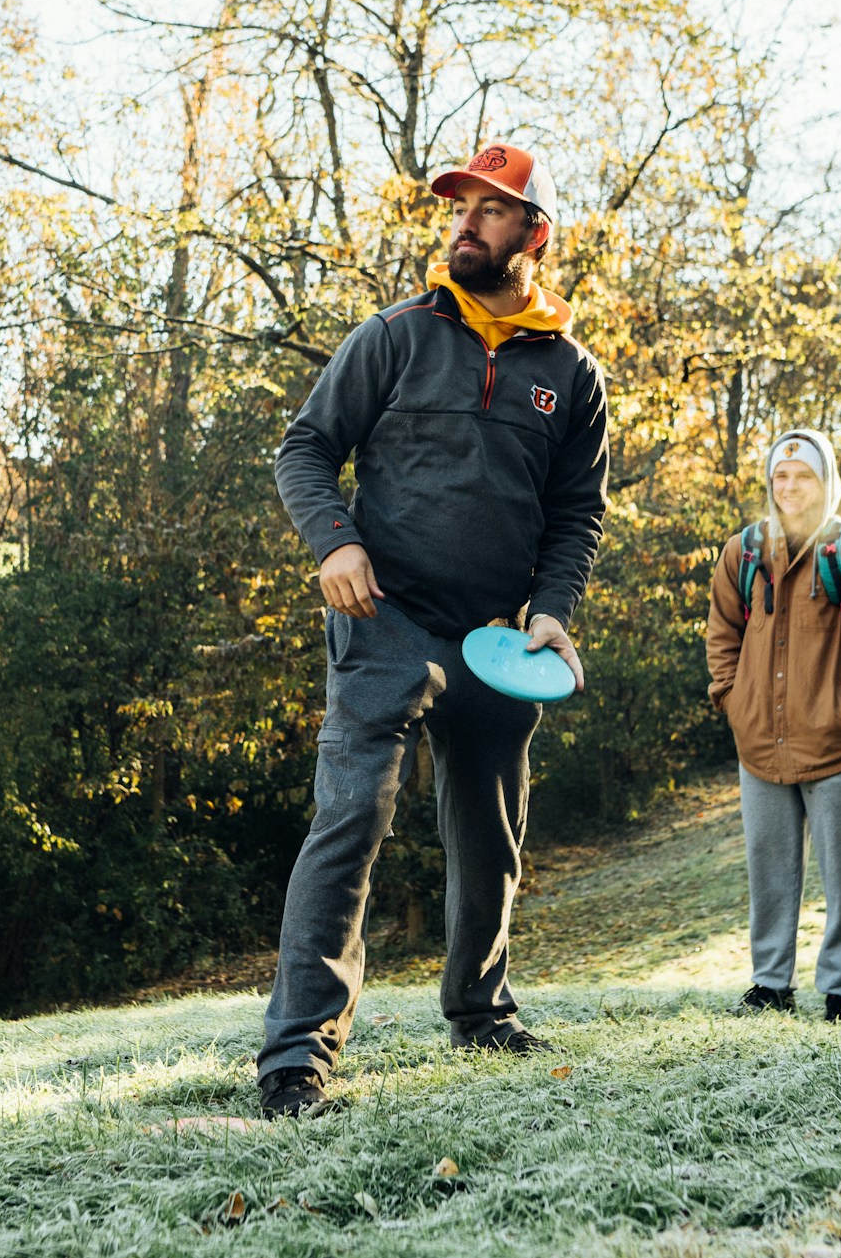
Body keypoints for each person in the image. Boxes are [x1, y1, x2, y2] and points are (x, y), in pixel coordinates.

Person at [257, 142, 611, 1119]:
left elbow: (577, 510)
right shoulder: (397, 335)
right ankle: (297, 1056)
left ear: (533, 234)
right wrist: (333, 541)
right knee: (350, 819)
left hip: (499, 637)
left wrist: (552, 609)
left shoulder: (572, 374)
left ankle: (480, 1007)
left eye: (491, 211)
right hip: (386, 619)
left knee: (491, 832)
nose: (465, 223)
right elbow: (306, 447)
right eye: (459, 206)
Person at [704, 430, 841, 1022]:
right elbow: (721, 636)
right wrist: (733, 702)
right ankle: (770, 985)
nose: (790, 487)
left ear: (825, 482)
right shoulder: (743, 553)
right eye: (781, 476)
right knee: (769, 872)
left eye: (804, 476)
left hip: (834, 746)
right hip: (759, 742)